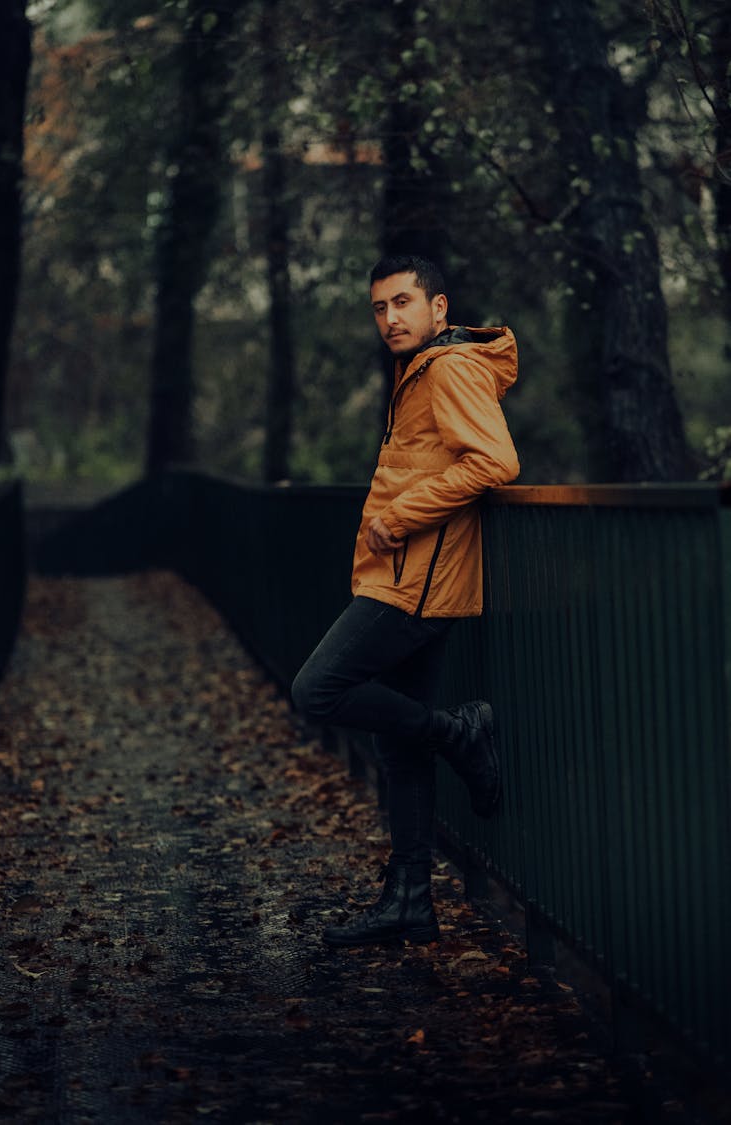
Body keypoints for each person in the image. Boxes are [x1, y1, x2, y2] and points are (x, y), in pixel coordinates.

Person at [291, 254, 519, 947]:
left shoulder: (447, 368)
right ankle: (411, 899)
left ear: (438, 308)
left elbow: (494, 462)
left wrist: (404, 513)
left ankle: (459, 733)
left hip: (418, 584)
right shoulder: (418, 369)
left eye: (402, 303)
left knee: (317, 690)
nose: (390, 318)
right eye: (380, 308)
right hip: (410, 577)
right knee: (398, 741)